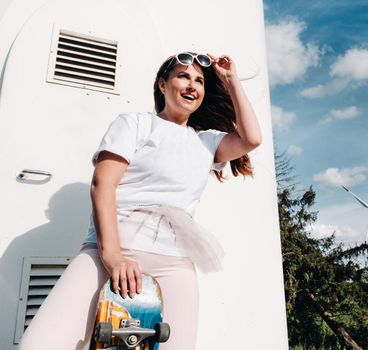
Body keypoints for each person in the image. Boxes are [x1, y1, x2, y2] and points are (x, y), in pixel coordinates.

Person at [19, 52, 262, 350]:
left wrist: (231, 80)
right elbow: (102, 184)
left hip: (174, 261)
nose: (192, 86)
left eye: (199, 81)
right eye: (183, 76)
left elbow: (251, 138)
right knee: (39, 344)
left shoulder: (207, 141)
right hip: (112, 250)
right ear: (162, 84)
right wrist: (113, 256)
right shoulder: (134, 123)